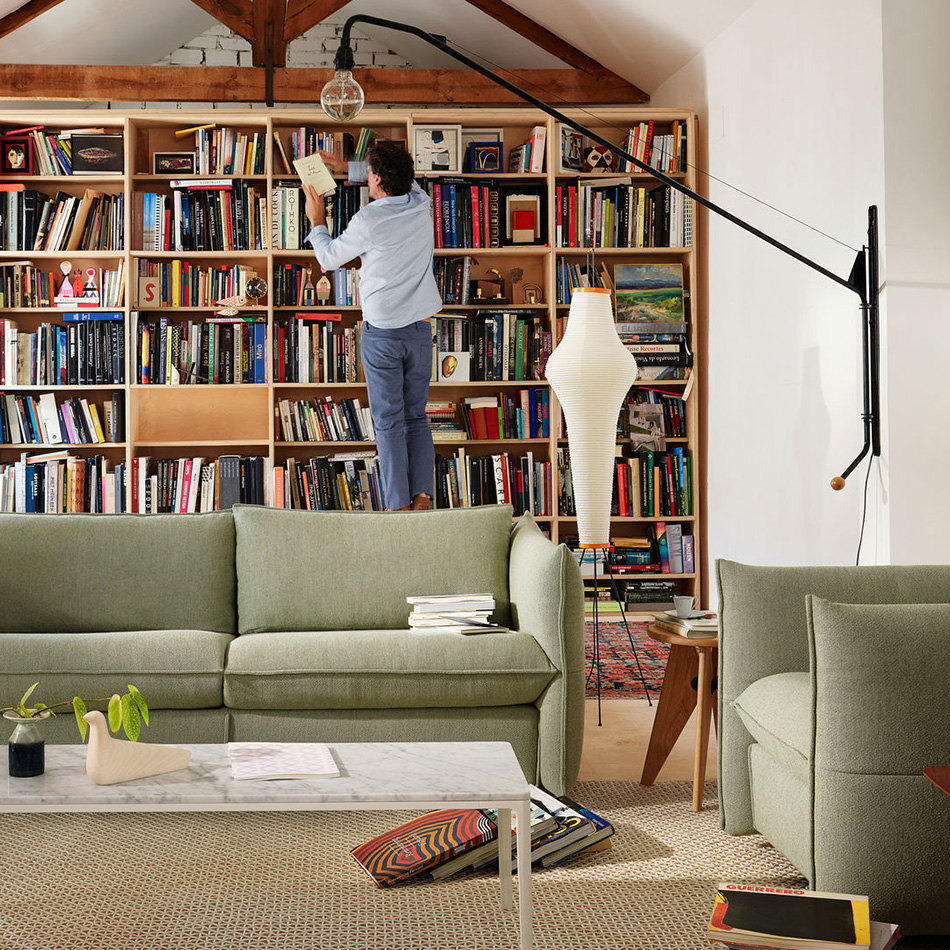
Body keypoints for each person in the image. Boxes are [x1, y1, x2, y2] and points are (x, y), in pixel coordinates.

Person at [303, 141, 441, 511]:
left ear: (377, 180)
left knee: (388, 421)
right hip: (419, 331)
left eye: (369, 174)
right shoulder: (422, 203)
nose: (366, 179)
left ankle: (397, 505)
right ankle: (422, 496)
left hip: (383, 335)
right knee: (416, 416)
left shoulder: (368, 220)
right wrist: (345, 166)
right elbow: (404, 180)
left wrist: (317, 219)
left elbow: (329, 258)